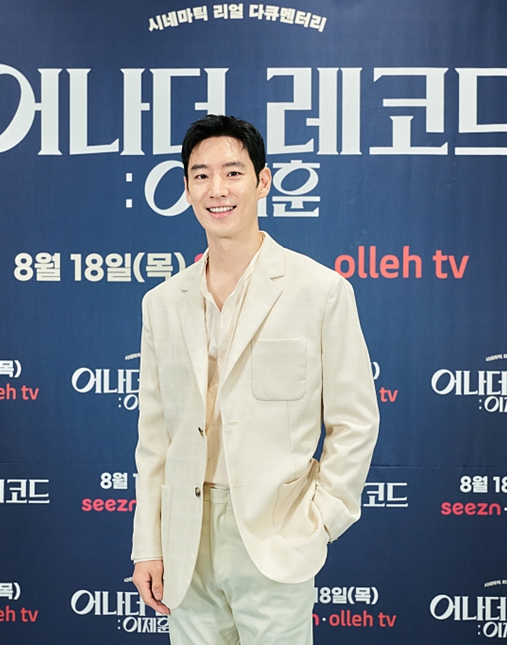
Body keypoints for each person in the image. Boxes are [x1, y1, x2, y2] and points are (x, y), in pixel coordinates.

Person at [131, 114, 379, 644]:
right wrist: (148, 544)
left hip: (276, 533)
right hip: (185, 537)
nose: (217, 189)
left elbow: (355, 421)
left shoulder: (320, 290)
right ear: (186, 189)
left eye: (232, 173)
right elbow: (155, 438)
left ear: (262, 181)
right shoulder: (162, 303)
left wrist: (319, 521)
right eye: (201, 176)